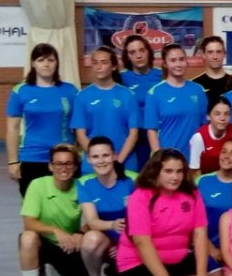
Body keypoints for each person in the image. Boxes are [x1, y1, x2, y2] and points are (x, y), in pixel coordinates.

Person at [114, 148, 215, 276]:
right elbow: (142, 242)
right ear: (156, 172)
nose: (175, 177)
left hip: (178, 258)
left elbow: (199, 234)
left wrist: (202, 272)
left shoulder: (192, 194)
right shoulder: (140, 196)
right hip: (139, 262)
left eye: (179, 171)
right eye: (168, 171)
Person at [15, 144, 89, 276]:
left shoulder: (82, 186)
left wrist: (81, 233)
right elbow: (29, 222)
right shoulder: (37, 185)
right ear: (50, 166)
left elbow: (95, 218)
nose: (63, 168)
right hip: (44, 243)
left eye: (68, 163)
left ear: (75, 166)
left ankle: (56, 269)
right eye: (58, 164)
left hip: (68, 246)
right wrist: (56, 231)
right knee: (27, 237)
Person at [6, 43, 80, 195]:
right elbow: (12, 128)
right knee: (34, 211)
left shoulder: (70, 91)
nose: (46, 64)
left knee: (65, 209)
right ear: (33, 63)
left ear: (56, 63)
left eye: (51, 60)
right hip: (32, 158)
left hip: (64, 159)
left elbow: (79, 127)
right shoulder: (20, 91)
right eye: (41, 60)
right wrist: (13, 161)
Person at [77, 136, 137, 276]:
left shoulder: (133, 180)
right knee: (90, 239)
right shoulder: (84, 184)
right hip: (106, 244)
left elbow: (142, 219)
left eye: (105, 155)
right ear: (88, 159)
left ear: (114, 156)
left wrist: (123, 244)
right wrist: (112, 226)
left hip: (133, 242)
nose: (101, 161)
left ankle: (120, 273)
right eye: (95, 157)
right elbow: (92, 221)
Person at [73, 46, 138, 173]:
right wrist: (98, 159)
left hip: (124, 162)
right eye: (95, 63)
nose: (99, 67)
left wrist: (117, 161)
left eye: (104, 62)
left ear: (113, 66)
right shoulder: (82, 96)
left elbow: (133, 134)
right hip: (93, 165)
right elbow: (80, 134)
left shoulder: (128, 95)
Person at [144, 43, 208, 158]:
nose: (178, 64)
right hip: (167, 159)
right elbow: (152, 131)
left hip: (194, 159)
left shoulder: (198, 90)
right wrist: (159, 158)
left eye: (181, 59)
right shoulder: (155, 93)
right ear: (165, 64)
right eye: (173, 60)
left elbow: (204, 127)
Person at [197, 138, 232, 266]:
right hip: (209, 249)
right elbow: (193, 221)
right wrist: (211, 249)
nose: (227, 156)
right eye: (224, 152)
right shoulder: (202, 181)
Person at [120, 35, 163, 170]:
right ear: (127, 57)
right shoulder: (121, 79)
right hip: (132, 136)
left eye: (141, 50)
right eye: (132, 52)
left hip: (157, 134)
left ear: (148, 52)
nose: (138, 55)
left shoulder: (162, 75)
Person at [189, 98, 232, 175]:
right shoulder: (199, 137)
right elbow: (194, 171)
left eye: (226, 114)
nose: (222, 118)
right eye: (217, 114)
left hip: (228, 178)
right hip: (205, 180)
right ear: (208, 116)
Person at [192, 36, 232, 103]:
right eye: (210, 52)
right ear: (203, 55)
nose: (215, 57)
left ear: (224, 54)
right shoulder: (195, 85)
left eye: (218, 52)